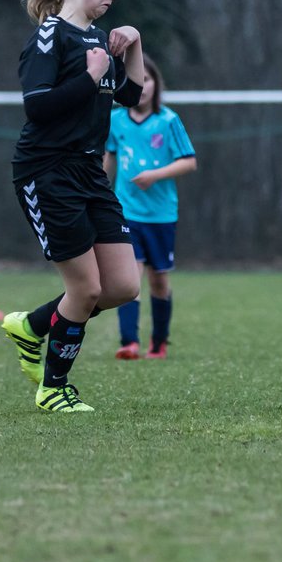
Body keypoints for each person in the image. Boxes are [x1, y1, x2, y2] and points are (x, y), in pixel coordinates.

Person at [0, 0, 145, 412]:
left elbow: (129, 97)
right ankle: (53, 387)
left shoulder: (99, 40)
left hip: (89, 172)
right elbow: (36, 106)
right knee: (86, 289)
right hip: (47, 173)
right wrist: (87, 77)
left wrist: (133, 46)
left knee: (123, 286)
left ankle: (33, 325)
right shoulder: (50, 36)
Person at [103, 54, 197, 360]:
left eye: (147, 79)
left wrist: (155, 176)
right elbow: (109, 159)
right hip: (126, 212)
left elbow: (189, 161)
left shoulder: (168, 120)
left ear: (157, 84)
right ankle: (129, 342)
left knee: (158, 280)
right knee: (130, 280)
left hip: (161, 215)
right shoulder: (116, 119)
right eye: (134, 80)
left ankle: (159, 342)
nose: (141, 86)